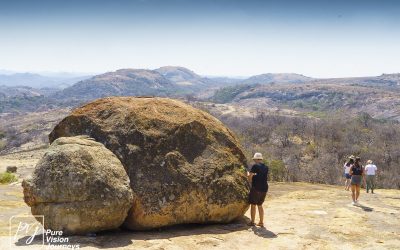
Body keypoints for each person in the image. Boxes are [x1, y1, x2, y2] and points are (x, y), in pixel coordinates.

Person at [247, 152, 269, 227]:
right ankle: (261, 222)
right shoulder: (266, 167)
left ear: (255, 159)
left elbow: (250, 176)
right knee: (260, 205)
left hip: (256, 188)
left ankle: (252, 222)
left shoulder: (255, 166)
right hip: (264, 188)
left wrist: (249, 180)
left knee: (253, 205)